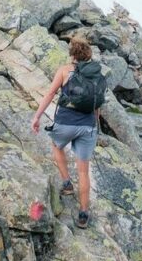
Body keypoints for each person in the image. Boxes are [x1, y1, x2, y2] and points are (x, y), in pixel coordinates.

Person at [31, 37, 100, 228]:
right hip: (88, 126)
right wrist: (96, 126)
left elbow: (51, 93)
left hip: (65, 123)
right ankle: (84, 214)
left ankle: (67, 183)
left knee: (56, 144)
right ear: (88, 55)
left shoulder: (64, 70)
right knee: (83, 171)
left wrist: (37, 116)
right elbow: (97, 104)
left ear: (72, 55)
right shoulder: (95, 75)